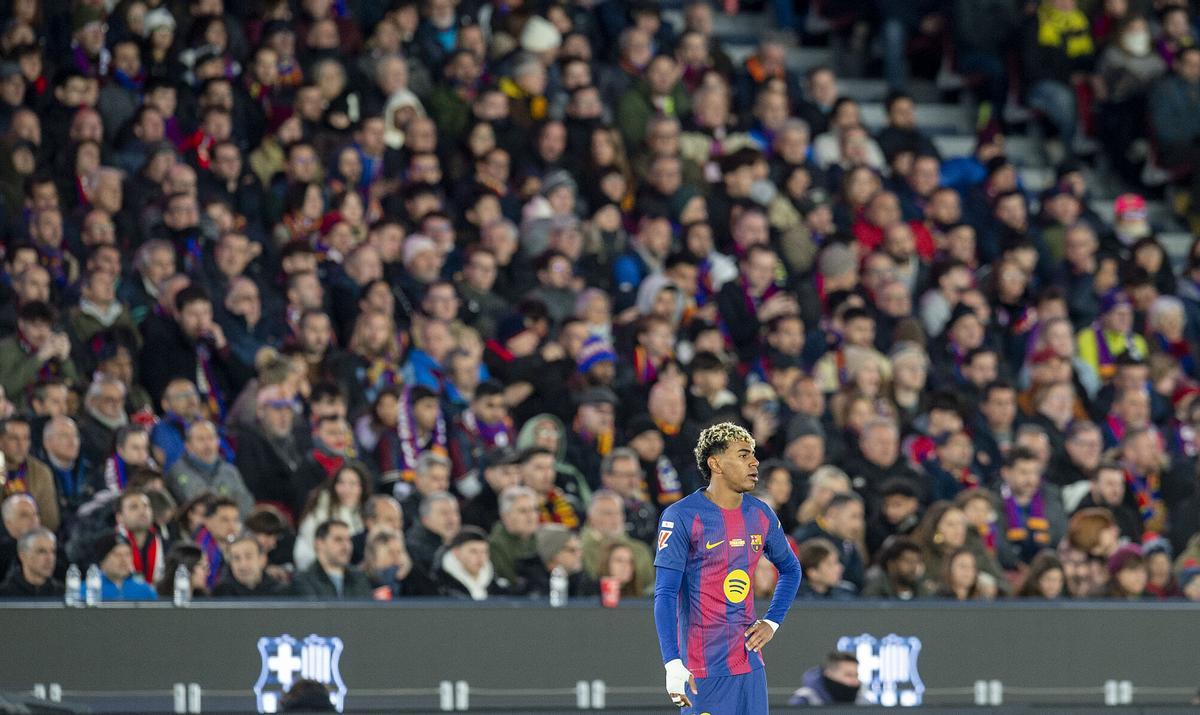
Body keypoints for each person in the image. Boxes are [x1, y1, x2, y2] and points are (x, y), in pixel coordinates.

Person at [653, 422, 801, 711]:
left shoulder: (761, 514)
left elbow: (791, 569)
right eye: (744, 455)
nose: (754, 462)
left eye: (754, 455)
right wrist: (672, 662)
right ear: (716, 463)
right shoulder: (682, 516)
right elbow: (665, 594)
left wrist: (772, 621)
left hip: (749, 667)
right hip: (701, 671)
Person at [291, 519, 373, 599]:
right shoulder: (304, 580)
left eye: (348, 540)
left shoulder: (359, 578)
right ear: (319, 543)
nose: (346, 546)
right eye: (338, 539)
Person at [212, 532, 288, 597]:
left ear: (262, 559)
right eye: (236, 558)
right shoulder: (220, 595)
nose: (243, 565)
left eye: (249, 557)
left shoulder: (280, 592)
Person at [86, 532, 157, 601]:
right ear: (102, 560)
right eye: (117, 555)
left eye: (128, 554)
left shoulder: (145, 591)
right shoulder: (88, 591)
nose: (124, 560)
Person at [0, 527, 64, 597]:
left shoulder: (62, 593)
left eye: (53, 552)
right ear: (23, 556)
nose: (50, 558)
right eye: (41, 551)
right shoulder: (4, 594)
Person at [789, 651, 864, 706]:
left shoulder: (862, 701)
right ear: (829, 674)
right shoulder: (804, 700)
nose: (855, 680)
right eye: (848, 675)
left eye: (856, 675)